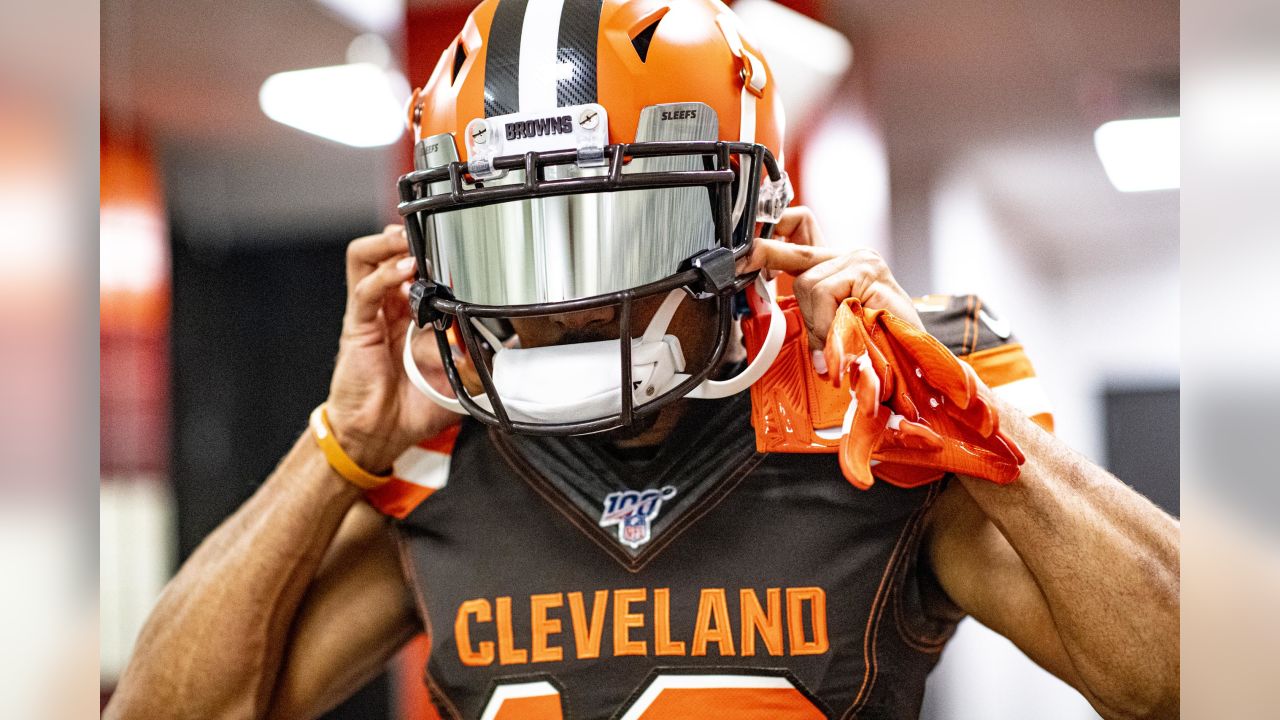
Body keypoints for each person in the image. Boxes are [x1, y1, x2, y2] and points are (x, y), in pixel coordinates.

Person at [105, 2, 1179, 718]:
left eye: (620, 237)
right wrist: (334, 444)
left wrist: (989, 449)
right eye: (508, 245)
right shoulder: (435, 448)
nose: (558, 308)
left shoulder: (875, 398)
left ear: (748, 217)